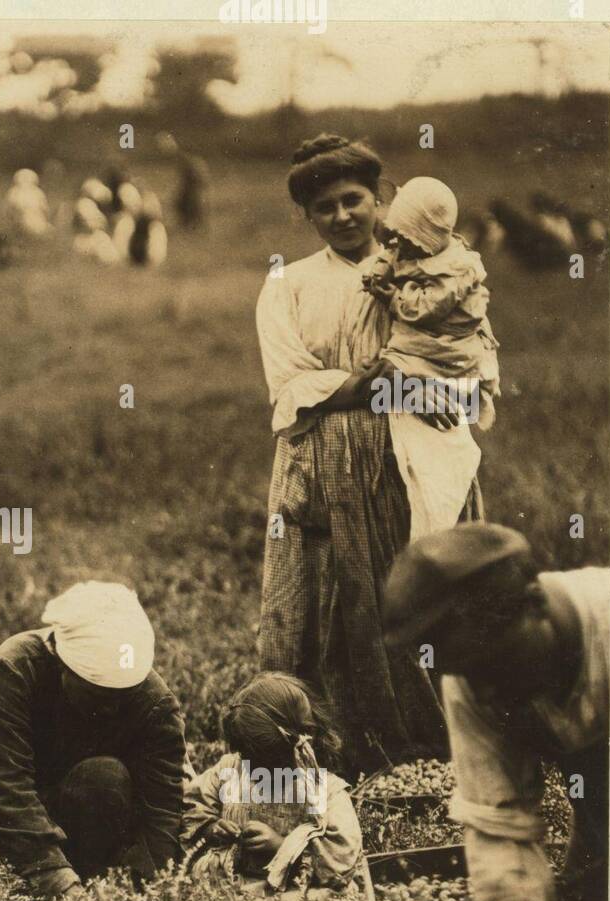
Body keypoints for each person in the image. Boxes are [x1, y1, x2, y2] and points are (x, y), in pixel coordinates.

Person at [254, 133, 479, 772]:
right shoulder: (288, 284)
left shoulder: (429, 272)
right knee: (335, 597)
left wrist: (419, 381)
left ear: (380, 198)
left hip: (417, 455)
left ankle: (446, 736)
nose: (343, 216)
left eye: (354, 200)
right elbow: (293, 384)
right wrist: (379, 380)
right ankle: (344, 739)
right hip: (327, 462)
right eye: (324, 208)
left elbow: (462, 352)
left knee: (422, 585)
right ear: (307, 216)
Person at [383, 523, 608, 901]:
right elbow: (499, 832)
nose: (485, 695)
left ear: (536, 605)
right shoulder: (472, 678)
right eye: (466, 675)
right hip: (603, 814)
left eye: (494, 667)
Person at [0, 581, 186, 899]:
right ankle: (53, 868)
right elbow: (4, 787)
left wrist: (146, 888)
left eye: (124, 696)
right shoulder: (16, 669)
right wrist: (57, 880)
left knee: (105, 776)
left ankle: (86, 869)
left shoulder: (155, 704)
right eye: (99, 695)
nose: (112, 708)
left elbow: (162, 811)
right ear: (61, 665)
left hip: (86, 802)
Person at [363, 176, 501, 539]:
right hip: (400, 390)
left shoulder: (454, 267)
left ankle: (442, 537)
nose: (401, 246)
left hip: (445, 347)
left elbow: (427, 309)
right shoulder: (404, 246)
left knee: (443, 463)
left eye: (410, 239)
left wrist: (392, 297)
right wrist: (379, 275)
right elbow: (387, 260)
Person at [181, 673, 362, 896]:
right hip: (232, 883)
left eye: (263, 762)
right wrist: (211, 828)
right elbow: (193, 805)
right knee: (199, 887)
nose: (250, 768)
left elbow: (341, 859)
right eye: (245, 755)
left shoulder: (324, 791)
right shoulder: (231, 770)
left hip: (290, 888)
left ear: (292, 753)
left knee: (317, 899)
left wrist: (281, 846)